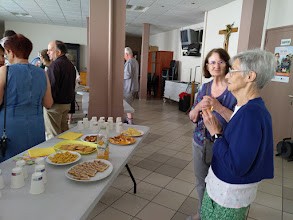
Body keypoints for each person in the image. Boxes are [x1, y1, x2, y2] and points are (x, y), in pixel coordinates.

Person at [201, 49, 275, 219]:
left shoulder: (251, 114)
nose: (227, 76)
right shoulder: (245, 108)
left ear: (250, 76)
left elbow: (237, 166)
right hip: (224, 189)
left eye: (233, 71)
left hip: (228, 196)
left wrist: (216, 133)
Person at [188, 48, 236, 220]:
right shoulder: (204, 88)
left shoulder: (234, 90)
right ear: (207, 66)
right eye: (212, 62)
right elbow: (192, 116)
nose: (216, 66)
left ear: (226, 65)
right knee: (200, 182)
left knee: (219, 184)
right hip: (199, 142)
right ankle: (203, 213)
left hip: (222, 145)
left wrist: (219, 106)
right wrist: (199, 106)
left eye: (221, 62)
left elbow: (238, 120)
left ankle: (215, 215)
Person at [0, 34, 53, 162]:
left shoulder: (4, 71)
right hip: (36, 125)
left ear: (10, 52)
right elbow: (49, 103)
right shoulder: (42, 73)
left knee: (10, 166)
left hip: (10, 126)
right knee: (34, 161)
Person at [44, 40, 76, 139]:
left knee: (53, 135)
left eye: (50, 50)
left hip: (55, 106)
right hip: (66, 104)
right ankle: (66, 153)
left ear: (58, 52)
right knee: (64, 133)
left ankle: (55, 154)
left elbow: (52, 87)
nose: (47, 52)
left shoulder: (54, 66)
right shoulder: (70, 65)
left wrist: (47, 104)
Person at [124, 47, 139, 124]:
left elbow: (127, 75)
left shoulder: (129, 62)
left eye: (124, 55)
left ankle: (130, 123)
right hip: (134, 87)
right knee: (129, 104)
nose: (124, 57)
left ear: (126, 54)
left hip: (129, 88)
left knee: (127, 106)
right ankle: (128, 119)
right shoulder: (135, 61)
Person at [65, 53, 80, 124]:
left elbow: (78, 77)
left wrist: (75, 80)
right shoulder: (63, 67)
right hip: (65, 88)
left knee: (71, 103)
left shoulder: (73, 67)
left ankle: (70, 119)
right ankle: (66, 118)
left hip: (71, 88)